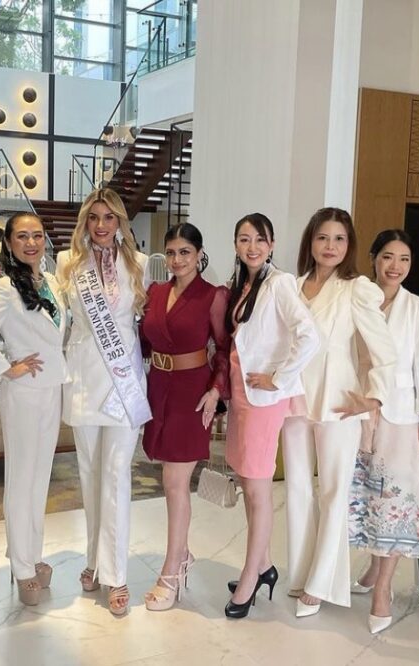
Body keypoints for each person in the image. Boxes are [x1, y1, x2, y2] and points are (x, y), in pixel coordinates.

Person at [282, 207, 396, 619]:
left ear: (349, 245)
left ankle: (320, 583)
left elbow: (385, 351)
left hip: (338, 400)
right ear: (310, 242)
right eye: (322, 237)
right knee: (297, 487)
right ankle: (300, 572)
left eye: (339, 239)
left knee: (333, 491)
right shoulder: (292, 287)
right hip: (294, 399)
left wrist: (373, 399)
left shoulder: (356, 289)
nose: (330, 246)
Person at [0, 212, 68, 607]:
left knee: (40, 480)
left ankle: (32, 553)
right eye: (22, 236)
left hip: (52, 388)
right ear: (8, 243)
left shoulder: (52, 283)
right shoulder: (6, 287)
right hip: (23, 393)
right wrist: (7, 367)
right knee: (21, 479)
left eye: (37, 236)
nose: (31, 243)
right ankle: (22, 566)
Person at [56, 188, 150, 616]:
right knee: (90, 475)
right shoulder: (67, 263)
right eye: (93, 217)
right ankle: (95, 559)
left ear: (120, 222)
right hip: (83, 381)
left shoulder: (139, 263)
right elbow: (59, 324)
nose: (100, 225)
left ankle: (116, 574)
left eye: (108, 217)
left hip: (124, 383)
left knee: (116, 476)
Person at [223, 213, 320, 619]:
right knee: (248, 483)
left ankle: (250, 578)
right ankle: (263, 566)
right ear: (235, 245)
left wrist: (278, 377)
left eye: (259, 240)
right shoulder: (243, 283)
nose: (252, 247)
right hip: (241, 393)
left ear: (272, 244)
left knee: (258, 490)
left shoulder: (279, 283)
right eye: (244, 239)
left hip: (263, 398)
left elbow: (309, 335)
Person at [138, 222, 230, 612]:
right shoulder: (155, 292)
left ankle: (171, 571)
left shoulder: (213, 295)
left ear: (199, 254)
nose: (177, 260)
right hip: (158, 387)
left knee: (175, 483)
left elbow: (224, 348)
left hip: (192, 393)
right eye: (172, 253)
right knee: (169, 480)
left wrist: (216, 390)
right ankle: (183, 554)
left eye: (185, 253)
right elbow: (143, 342)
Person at [348, 229, 419, 634]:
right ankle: (371, 568)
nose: (395, 266)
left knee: (395, 501)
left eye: (404, 259)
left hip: (399, 414)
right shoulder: (356, 297)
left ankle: (383, 587)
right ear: (373, 258)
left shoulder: (418, 308)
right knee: (366, 496)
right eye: (387, 256)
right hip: (355, 410)